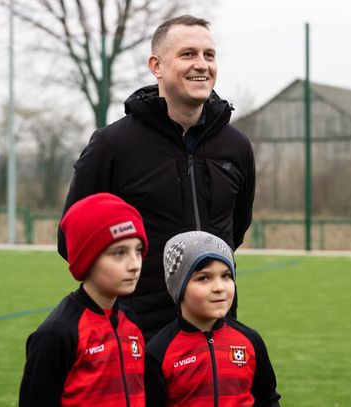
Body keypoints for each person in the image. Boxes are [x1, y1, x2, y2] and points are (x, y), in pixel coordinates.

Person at [57, 15, 256, 339]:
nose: (202, 64)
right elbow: (72, 240)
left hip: (216, 332)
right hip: (139, 336)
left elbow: (235, 230)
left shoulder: (237, 146)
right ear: (156, 66)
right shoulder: (113, 145)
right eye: (188, 54)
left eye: (209, 55)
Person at [20, 193, 148, 406]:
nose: (135, 264)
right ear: (87, 258)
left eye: (138, 250)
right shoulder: (57, 334)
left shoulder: (132, 321)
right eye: (119, 253)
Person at [145, 231, 281, 407]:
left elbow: (268, 399)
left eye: (226, 276)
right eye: (204, 278)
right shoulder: (158, 352)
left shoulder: (250, 341)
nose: (219, 287)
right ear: (179, 286)